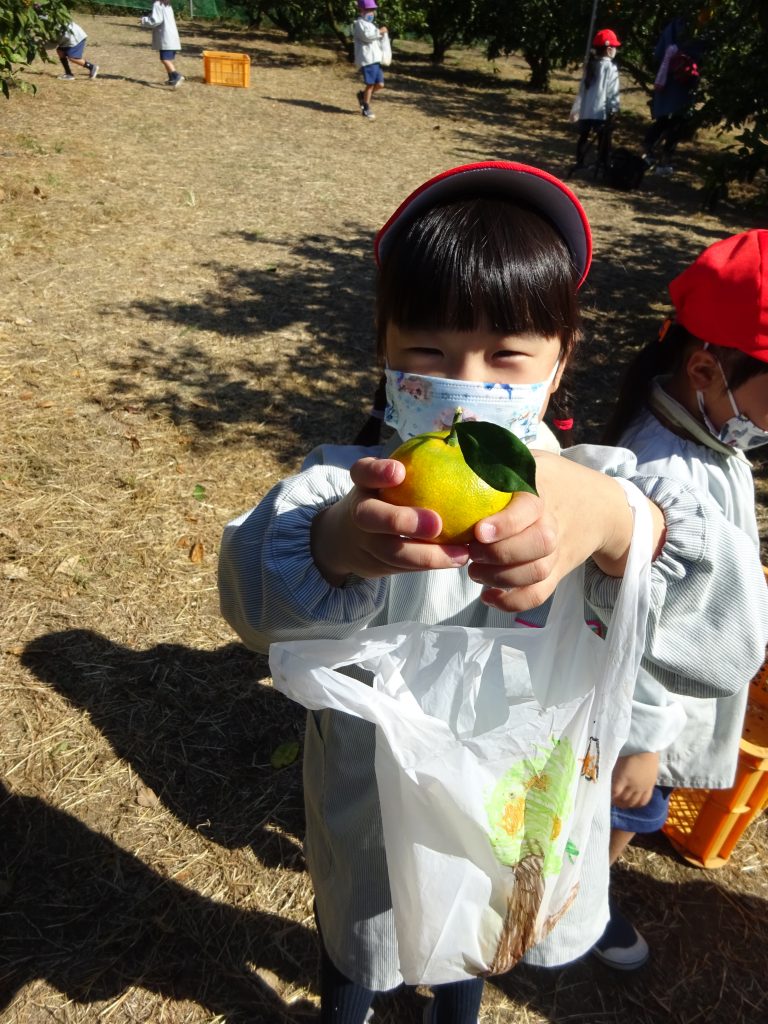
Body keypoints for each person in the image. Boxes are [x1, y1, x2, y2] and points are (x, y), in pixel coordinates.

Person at [218, 161, 768, 1023]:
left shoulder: (602, 486)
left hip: (515, 818)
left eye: (508, 355)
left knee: (473, 944)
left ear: (560, 362)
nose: (467, 382)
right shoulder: (349, 485)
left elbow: (730, 644)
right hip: (370, 819)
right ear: (386, 353)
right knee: (363, 946)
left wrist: (623, 525)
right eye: (429, 352)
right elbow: (251, 599)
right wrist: (338, 547)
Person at [592, 229, 768, 970]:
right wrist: (644, 739)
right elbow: (633, 623)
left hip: (668, 698)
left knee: (632, 803)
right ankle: (574, 899)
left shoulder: (702, 433)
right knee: (630, 803)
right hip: (643, 712)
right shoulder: (662, 471)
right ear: (705, 367)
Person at [642, 17, 701, 175]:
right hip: (683, 84)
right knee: (677, 122)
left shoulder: (671, 27)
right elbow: (703, 54)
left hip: (665, 80)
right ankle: (665, 158)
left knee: (663, 119)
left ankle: (649, 149)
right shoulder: (696, 29)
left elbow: (658, 53)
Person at [571, 29, 621, 174]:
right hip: (601, 111)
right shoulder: (610, 68)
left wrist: (577, 109)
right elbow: (613, 91)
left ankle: (580, 162)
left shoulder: (590, 65)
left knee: (583, 137)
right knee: (604, 139)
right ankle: (603, 164)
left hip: (587, 110)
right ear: (609, 49)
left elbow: (582, 89)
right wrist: (614, 108)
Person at [352, 0, 388, 121]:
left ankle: (362, 96)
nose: (371, 13)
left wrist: (381, 35)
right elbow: (367, 37)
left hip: (375, 59)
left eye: (372, 10)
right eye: (368, 10)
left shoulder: (371, 24)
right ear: (361, 10)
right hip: (368, 59)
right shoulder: (359, 24)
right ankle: (366, 108)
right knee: (370, 84)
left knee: (380, 84)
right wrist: (380, 32)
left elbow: (374, 38)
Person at [140, 0, 184, 88]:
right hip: (172, 36)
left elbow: (156, 20)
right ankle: (171, 79)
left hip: (166, 36)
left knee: (165, 59)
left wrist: (144, 20)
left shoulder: (157, 4)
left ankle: (176, 76)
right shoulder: (166, 4)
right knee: (166, 59)